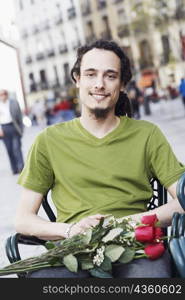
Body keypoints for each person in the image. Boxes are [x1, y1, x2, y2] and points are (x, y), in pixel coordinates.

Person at [15, 40, 185, 278]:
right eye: (91, 74)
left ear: (122, 84)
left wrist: (126, 223)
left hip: (137, 248)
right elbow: (23, 219)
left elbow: (183, 202)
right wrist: (71, 230)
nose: (99, 84)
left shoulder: (147, 135)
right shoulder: (49, 140)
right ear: (78, 79)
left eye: (110, 76)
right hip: (73, 251)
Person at [0, 89, 24, 174]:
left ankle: (21, 167)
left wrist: (21, 129)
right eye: (1, 94)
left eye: (4, 94)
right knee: (9, 150)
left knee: (17, 148)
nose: (3, 96)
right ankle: (14, 168)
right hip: (3, 129)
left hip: (14, 127)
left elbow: (20, 116)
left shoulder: (13, 103)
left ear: (7, 95)